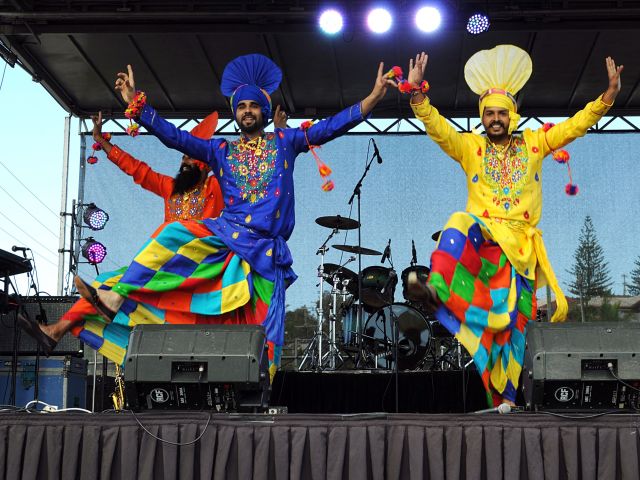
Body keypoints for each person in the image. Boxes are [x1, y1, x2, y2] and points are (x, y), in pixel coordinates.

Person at [72, 54, 395, 377]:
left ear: (264, 111)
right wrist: (138, 106)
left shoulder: (286, 141)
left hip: (266, 252)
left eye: (253, 106)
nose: (247, 111)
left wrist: (373, 97)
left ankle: (260, 395)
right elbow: (174, 137)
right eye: (241, 107)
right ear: (235, 113)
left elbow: (332, 126)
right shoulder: (220, 151)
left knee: (266, 329)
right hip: (227, 235)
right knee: (171, 234)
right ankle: (115, 298)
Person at [404, 46, 623, 406]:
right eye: (488, 113)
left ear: (512, 116)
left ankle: (504, 401)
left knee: (512, 328)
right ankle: (437, 289)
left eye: (500, 113)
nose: (494, 119)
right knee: (458, 222)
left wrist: (607, 98)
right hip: (486, 239)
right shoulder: (469, 147)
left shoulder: (535, 143)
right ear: (481, 116)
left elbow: (573, 127)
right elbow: (439, 129)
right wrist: (416, 95)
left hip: (520, 252)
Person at [17, 109, 262, 364]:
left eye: (192, 158)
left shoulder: (216, 188)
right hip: (164, 267)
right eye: (183, 158)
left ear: (206, 164)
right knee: (103, 286)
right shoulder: (171, 188)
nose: (184, 162)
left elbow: (242, 173)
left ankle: (94, 312)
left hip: (199, 267)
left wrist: (275, 135)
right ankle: (55, 331)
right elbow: (138, 170)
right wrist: (103, 142)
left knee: (164, 237)